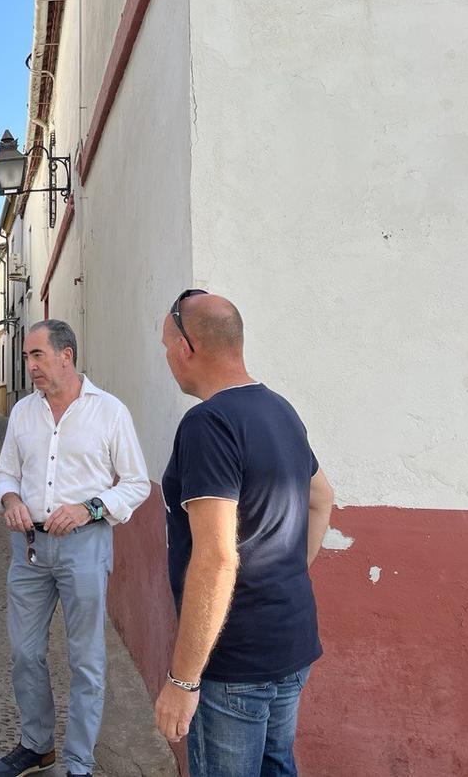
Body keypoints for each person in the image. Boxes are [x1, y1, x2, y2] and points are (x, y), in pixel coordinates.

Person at [153, 290, 334, 777]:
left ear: (188, 347)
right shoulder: (280, 409)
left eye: (167, 345)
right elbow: (322, 497)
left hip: (233, 661)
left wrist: (183, 682)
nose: (167, 357)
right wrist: (287, 573)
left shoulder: (208, 424)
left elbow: (215, 558)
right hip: (291, 641)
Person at [0, 320, 152, 777]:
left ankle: (79, 761)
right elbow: (5, 474)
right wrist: (11, 498)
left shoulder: (109, 411)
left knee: (86, 659)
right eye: (26, 357)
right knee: (24, 652)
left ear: (67, 355)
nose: (30, 366)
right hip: (28, 548)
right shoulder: (23, 412)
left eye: (37, 355)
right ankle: (37, 746)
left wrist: (92, 508)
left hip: (85, 545)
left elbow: (136, 483)